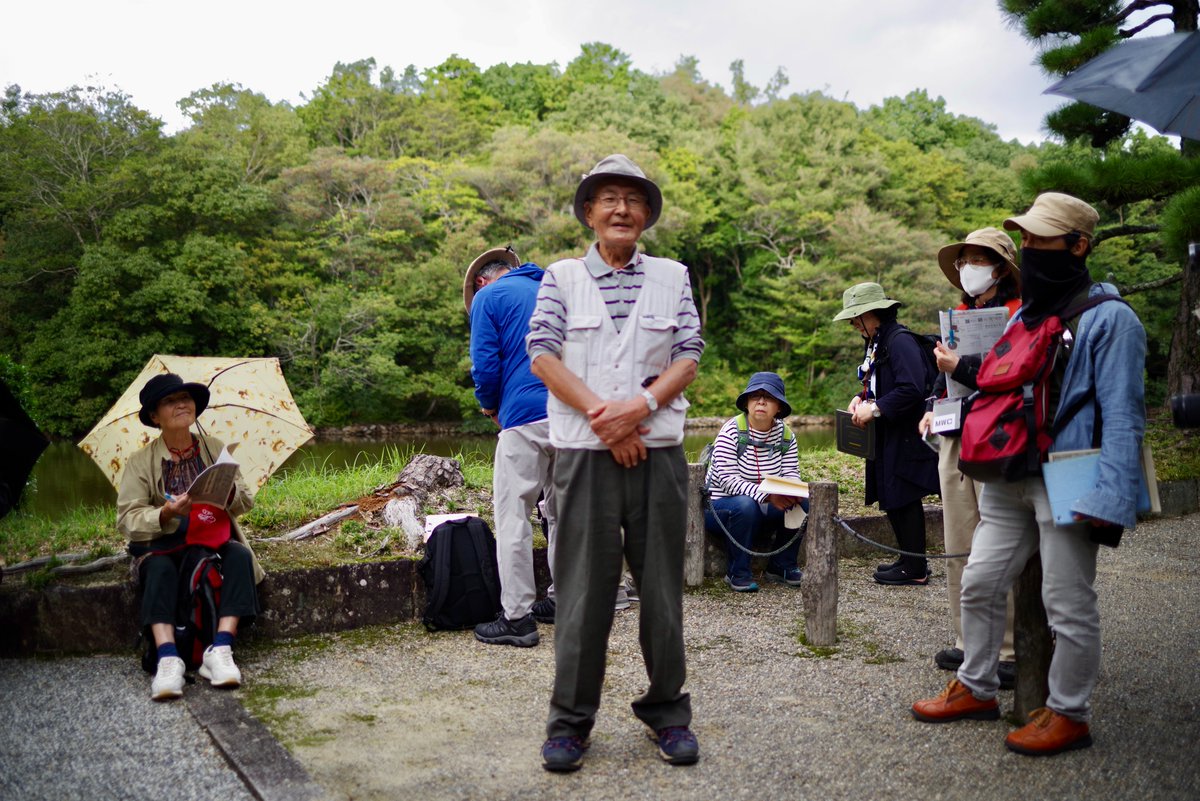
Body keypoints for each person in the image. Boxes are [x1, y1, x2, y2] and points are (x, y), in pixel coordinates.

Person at [911, 192, 1146, 757]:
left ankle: (1069, 712)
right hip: (1008, 470)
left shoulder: (1111, 319)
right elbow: (997, 382)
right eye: (1026, 239)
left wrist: (1110, 500)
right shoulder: (1026, 316)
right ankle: (976, 686)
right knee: (979, 580)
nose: (1030, 248)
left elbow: (1124, 415)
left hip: (1070, 473)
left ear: (1079, 246)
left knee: (1067, 600)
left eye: (1042, 239)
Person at [526, 154, 704, 771]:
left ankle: (668, 713)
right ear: (589, 213)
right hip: (583, 456)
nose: (621, 209)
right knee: (581, 596)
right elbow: (542, 355)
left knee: (662, 593)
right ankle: (569, 724)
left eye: (633, 199)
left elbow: (688, 354)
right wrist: (607, 418)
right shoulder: (561, 277)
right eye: (609, 198)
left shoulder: (673, 276)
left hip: (658, 457)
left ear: (647, 213)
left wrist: (639, 408)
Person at [117, 373, 263, 701]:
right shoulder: (140, 462)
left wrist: (229, 495)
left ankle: (221, 649)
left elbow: (246, 499)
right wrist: (165, 513)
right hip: (164, 543)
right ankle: (168, 658)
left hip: (210, 536)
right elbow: (127, 519)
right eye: (170, 401)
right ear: (155, 416)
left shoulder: (214, 447)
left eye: (185, 398)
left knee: (239, 556)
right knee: (159, 569)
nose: (182, 404)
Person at [918, 228, 1021, 687]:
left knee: (1001, 543)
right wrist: (931, 407)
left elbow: (1013, 377)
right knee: (958, 539)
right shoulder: (957, 317)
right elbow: (943, 381)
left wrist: (960, 366)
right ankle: (967, 641)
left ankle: (1010, 648)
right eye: (963, 262)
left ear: (1001, 268)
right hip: (956, 434)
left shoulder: (1020, 317)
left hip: (999, 436)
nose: (968, 270)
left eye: (977, 260)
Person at [464, 245, 558, 647]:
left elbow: (485, 366)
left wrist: (488, 406)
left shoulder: (489, 297)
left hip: (523, 415)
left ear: (481, 281)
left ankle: (517, 618)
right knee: (564, 514)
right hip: (575, 414)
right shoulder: (558, 288)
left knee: (513, 515)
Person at [834, 283, 940, 585]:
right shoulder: (876, 341)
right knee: (891, 494)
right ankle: (909, 559)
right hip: (888, 431)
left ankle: (915, 568)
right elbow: (879, 381)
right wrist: (861, 398)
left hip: (905, 432)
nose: (853, 324)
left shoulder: (899, 340)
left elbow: (912, 388)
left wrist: (876, 408)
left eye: (856, 317)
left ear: (874, 313)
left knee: (904, 496)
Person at [704, 371, 806, 592]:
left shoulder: (786, 436)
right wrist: (768, 496)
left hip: (762, 508)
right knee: (745, 504)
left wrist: (793, 492)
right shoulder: (731, 431)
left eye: (768, 397)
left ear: (779, 407)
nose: (761, 401)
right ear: (746, 403)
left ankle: (782, 565)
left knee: (802, 502)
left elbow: (791, 472)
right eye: (755, 396)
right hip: (722, 510)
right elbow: (728, 480)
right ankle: (737, 572)